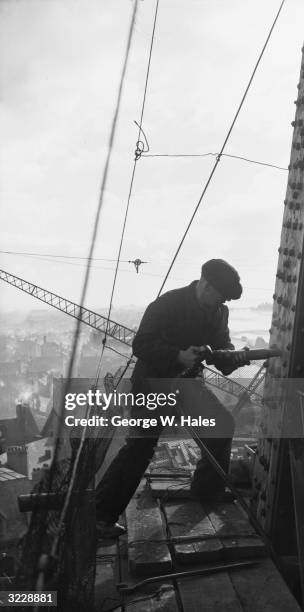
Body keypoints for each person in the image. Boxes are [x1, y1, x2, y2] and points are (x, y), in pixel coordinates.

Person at [95, 259, 249, 537]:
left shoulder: (218, 312)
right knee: (139, 449)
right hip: (153, 383)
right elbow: (141, 344)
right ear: (205, 284)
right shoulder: (167, 304)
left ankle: (206, 494)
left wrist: (231, 354)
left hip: (187, 383)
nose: (221, 302)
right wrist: (178, 355)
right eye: (220, 295)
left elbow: (222, 348)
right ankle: (99, 517)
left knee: (221, 427)